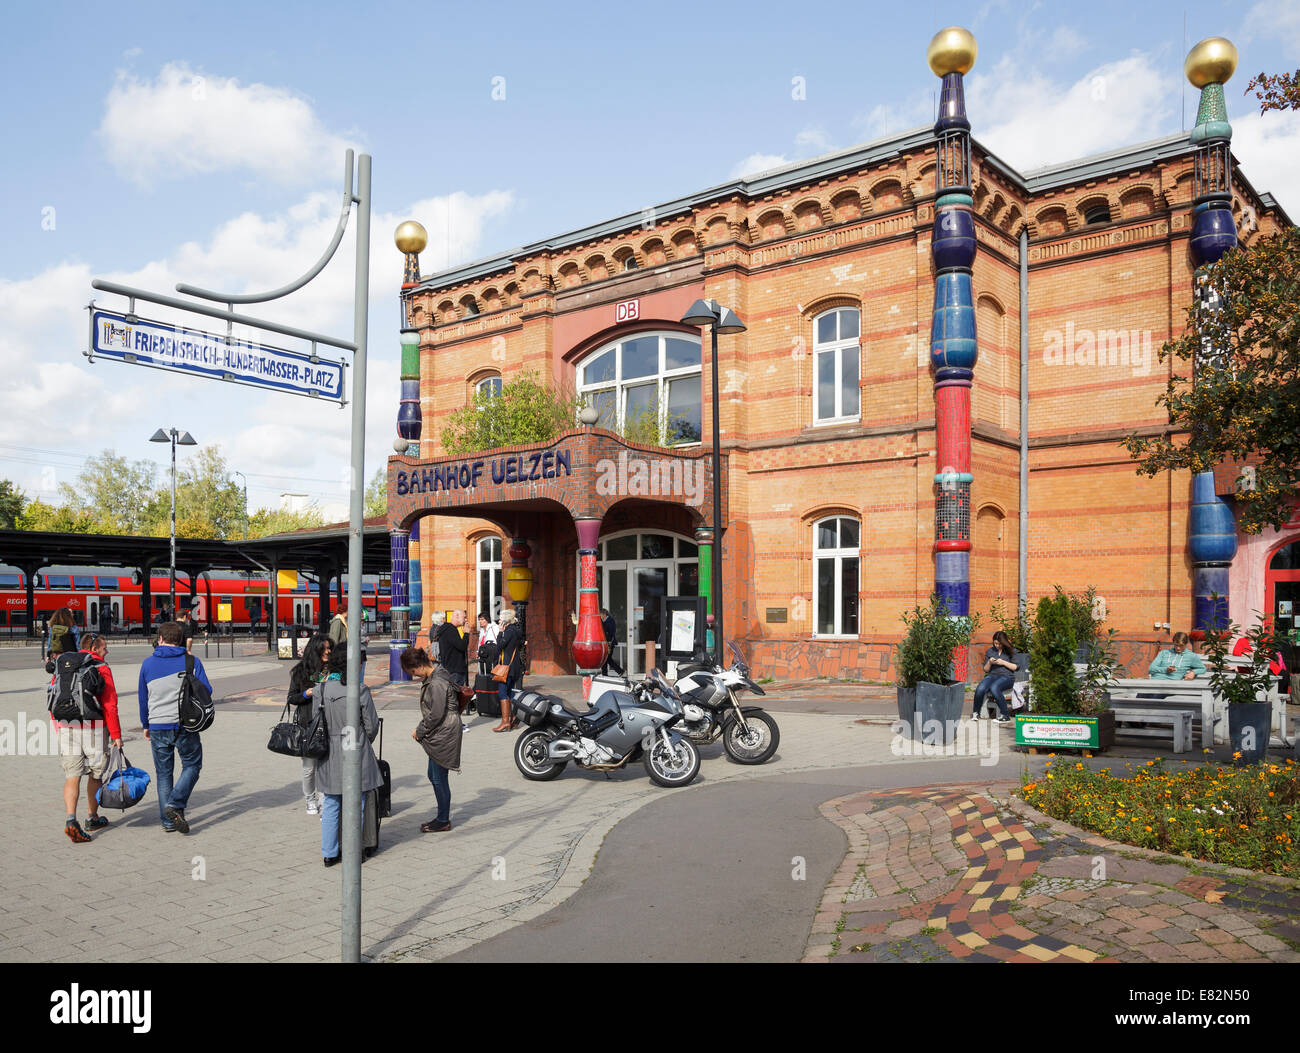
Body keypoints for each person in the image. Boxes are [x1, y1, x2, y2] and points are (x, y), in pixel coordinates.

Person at [138, 621, 213, 834]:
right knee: (192, 765)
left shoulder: (147, 664)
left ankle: (169, 821)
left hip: (158, 724)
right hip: (186, 724)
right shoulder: (192, 661)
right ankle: (175, 804)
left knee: (163, 774)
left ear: (160, 639)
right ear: (180, 640)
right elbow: (206, 689)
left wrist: (145, 724)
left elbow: (143, 699)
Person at [314, 645, 383, 865]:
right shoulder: (359, 689)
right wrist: (364, 739)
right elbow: (371, 725)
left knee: (331, 802)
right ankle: (354, 849)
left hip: (329, 750)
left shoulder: (321, 690)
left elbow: (316, 722)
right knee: (357, 801)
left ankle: (329, 852)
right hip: (355, 745)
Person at [53, 636, 122, 843]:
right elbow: (110, 705)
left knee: (72, 775)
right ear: (93, 648)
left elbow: (54, 697)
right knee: (95, 773)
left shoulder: (64, 666)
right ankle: (92, 817)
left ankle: (70, 819)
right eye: (104, 648)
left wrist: (58, 726)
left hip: (66, 725)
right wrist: (117, 735)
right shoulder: (100, 667)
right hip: (93, 728)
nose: (106, 652)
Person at [403, 646, 461, 833]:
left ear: (419, 666)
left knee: (438, 777)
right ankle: (442, 817)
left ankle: (443, 819)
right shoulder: (438, 672)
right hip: (444, 729)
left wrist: (419, 731)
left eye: (413, 672)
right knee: (435, 775)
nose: (414, 676)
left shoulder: (436, 683)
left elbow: (436, 714)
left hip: (444, 730)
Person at [287, 635, 332, 815]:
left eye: (330, 648)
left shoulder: (334, 670)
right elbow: (291, 698)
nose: (328, 651)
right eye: (325, 648)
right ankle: (310, 799)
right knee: (309, 767)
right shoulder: (300, 672)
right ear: (315, 650)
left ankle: (323, 802)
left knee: (325, 765)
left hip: (329, 723)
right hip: (308, 725)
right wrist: (306, 693)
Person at [971, 630, 1018, 722]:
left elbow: (1015, 667)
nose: (997, 645)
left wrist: (1003, 662)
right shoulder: (990, 651)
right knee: (980, 688)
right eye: (995, 643)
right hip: (992, 675)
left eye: (999, 644)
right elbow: (986, 669)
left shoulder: (1012, 651)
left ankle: (1005, 715)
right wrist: (989, 662)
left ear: (1004, 642)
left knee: (994, 687)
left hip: (1007, 677)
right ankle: (976, 712)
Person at [491, 608, 524, 732]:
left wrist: (500, 632)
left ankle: (505, 722)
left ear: (505, 621)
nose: (499, 622)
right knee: (510, 692)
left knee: (502, 692)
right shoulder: (517, 630)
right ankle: (514, 719)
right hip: (515, 666)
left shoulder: (509, 631)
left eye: (500, 620)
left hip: (507, 667)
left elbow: (499, 647)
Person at [599, 608, 623, 677]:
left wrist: (608, 641)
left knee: (607, 659)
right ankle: (605, 674)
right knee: (606, 659)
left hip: (610, 643)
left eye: (600, 614)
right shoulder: (603, 621)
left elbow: (611, 632)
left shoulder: (610, 620)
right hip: (605, 643)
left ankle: (619, 671)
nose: (600, 616)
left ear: (604, 614)